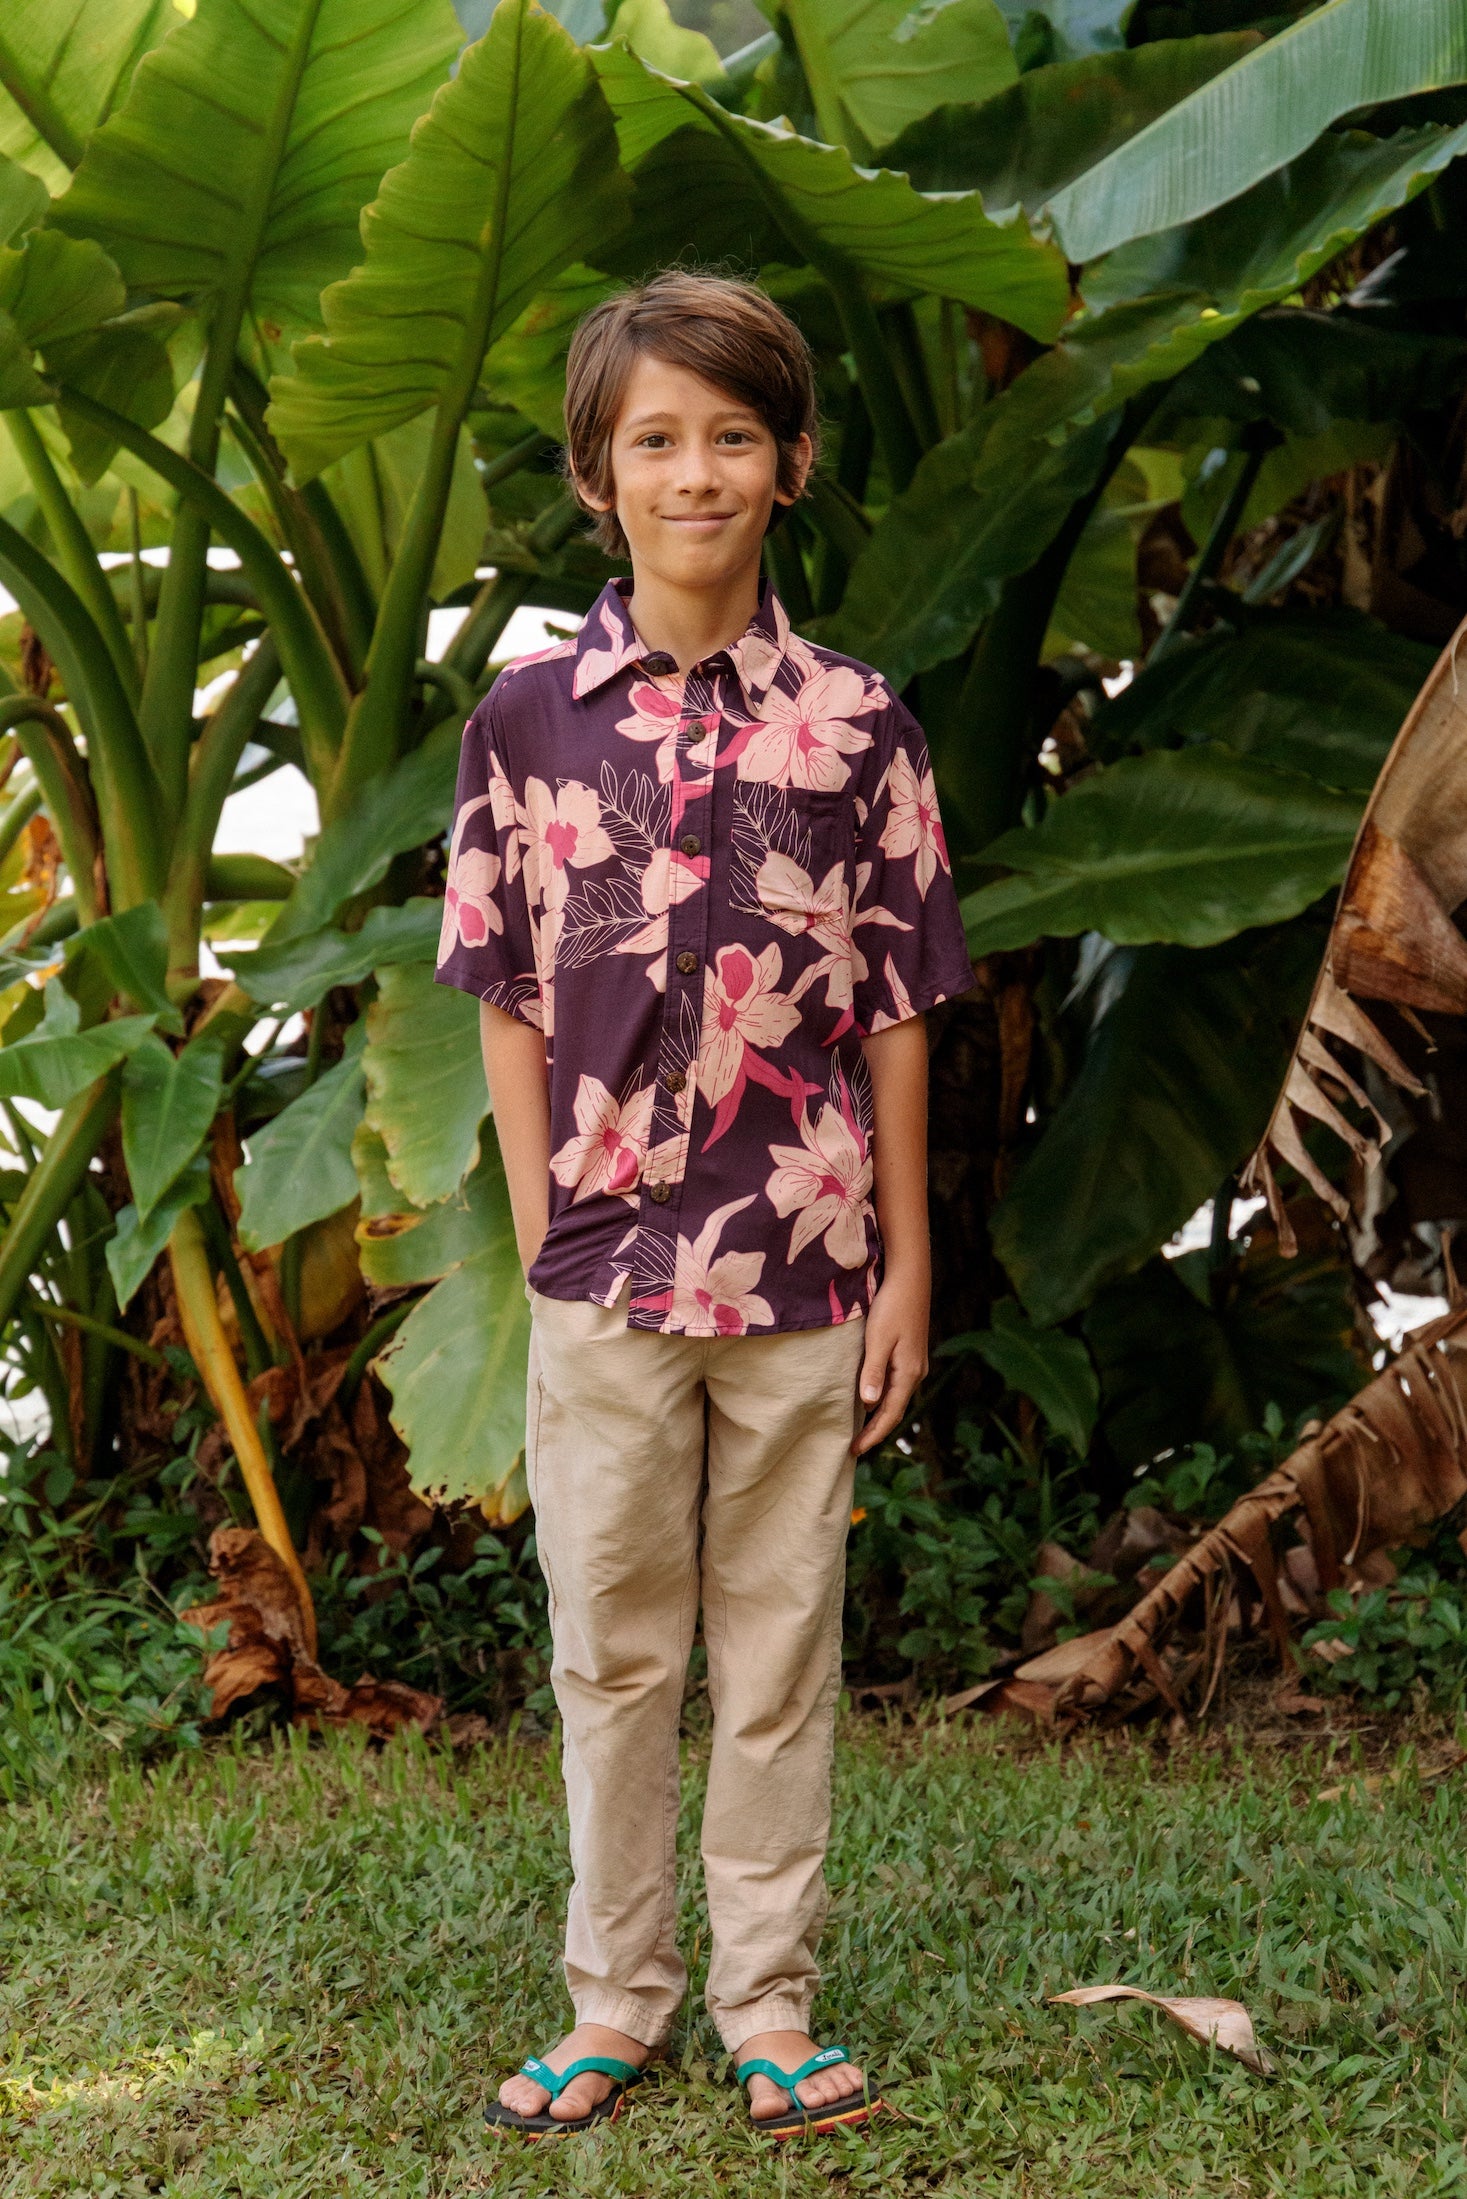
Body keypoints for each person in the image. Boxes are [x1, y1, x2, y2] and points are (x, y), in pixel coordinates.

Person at [435, 270, 973, 2142]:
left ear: (793, 462)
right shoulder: (524, 724)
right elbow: (502, 993)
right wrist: (538, 1233)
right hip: (599, 1267)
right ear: (599, 473)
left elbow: (901, 1008)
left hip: (807, 1266)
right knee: (614, 1641)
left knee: (776, 1640)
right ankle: (615, 1997)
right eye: (655, 440)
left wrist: (906, 1260)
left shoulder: (859, 724)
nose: (695, 473)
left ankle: (765, 2002)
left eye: (730, 437)